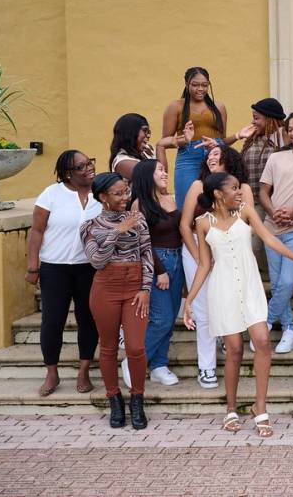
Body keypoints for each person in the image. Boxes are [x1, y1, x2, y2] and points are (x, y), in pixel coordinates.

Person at [183, 173, 293, 437]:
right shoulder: (202, 223)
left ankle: (260, 407)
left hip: (251, 287)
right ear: (218, 193)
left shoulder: (246, 213)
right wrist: (190, 300)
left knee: (262, 340)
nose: (240, 192)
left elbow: (271, 240)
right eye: (233, 188)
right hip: (223, 290)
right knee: (234, 350)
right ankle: (231, 408)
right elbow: (205, 265)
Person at [80, 172, 154, 430]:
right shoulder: (89, 226)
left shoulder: (139, 219)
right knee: (109, 346)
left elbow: (146, 254)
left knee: (135, 347)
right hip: (105, 289)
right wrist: (117, 231)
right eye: (118, 193)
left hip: (135, 287)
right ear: (102, 197)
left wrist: (145, 288)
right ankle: (114, 398)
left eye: (126, 191)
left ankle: (137, 398)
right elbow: (97, 261)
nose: (125, 197)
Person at [178, 146, 256, 389]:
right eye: (209, 154)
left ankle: (226, 337)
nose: (211, 157)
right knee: (203, 311)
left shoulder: (242, 190)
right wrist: (201, 258)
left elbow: (250, 224)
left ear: (229, 161)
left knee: (230, 302)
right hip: (197, 252)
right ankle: (207, 367)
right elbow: (184, 225)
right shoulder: (197, 186)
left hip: (229, 253)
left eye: (216, 154)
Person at [26, 150, 102, 397]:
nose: (89, 168)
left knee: (88, 319)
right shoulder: (52, 194)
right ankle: (52, 372)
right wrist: (32, 265)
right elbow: (36, 230)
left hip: (88, 268)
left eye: (89, 162)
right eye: (81, 166)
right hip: (54, 268)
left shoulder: (100, 193)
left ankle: (84, 370)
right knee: (52, 321)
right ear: (68, 174)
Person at [258, 111, 293, 353]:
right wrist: (271, 213)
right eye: (290, 129)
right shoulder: (276, 158)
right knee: (278, 282)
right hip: (272, 229)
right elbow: (263, 192)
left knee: (288, 281)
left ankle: (265, 323)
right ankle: (289, 329)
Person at [162, 66, 253, 206]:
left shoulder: (219, 107)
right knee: (187, 203)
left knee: (218, 202)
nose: (200, 89)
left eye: (205, 85)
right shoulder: (176, 106)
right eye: (195, 85)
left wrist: (237, 135)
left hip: (215, 157)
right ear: (186, 84)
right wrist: (184, 140)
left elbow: (222, 141)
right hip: (188, 159)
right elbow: (165, 141)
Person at [129, 159, 185, 386]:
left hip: (178, 259)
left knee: (170, 317)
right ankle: (133, 360)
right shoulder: (138, 204)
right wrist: (160, 271)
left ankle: (159, 365)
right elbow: (142, 243)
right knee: (160, 319)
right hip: (156, 263)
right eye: (160, 170)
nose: (165, 173)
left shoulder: (171, 198)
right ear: (147, 175)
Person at [240, 98, 288, 204]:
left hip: (277, 202)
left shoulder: (284, 136)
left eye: (256, 118)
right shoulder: (251, 139)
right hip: (252, 202)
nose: (253, 122)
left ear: (270, 119)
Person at [109, 113, 181, 179]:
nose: (148, 135)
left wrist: (185, 140)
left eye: (148, 132)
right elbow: (157, 177)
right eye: (145, 131)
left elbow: (163, 174)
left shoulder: (147, 149)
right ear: (130, 132)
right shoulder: (122, 162)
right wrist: (161, 147)